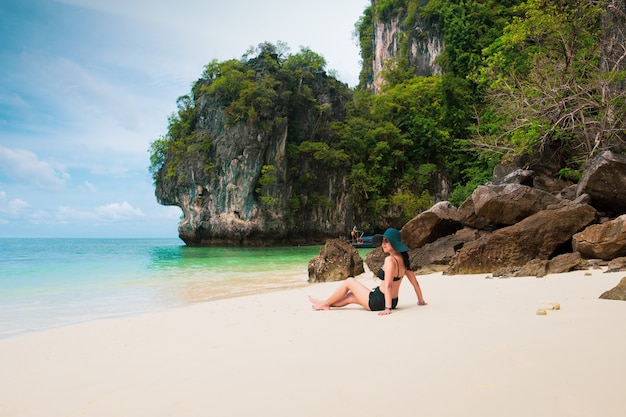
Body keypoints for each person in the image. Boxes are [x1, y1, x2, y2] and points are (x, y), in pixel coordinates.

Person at [308, 228, 427, 315]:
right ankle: (326, 303)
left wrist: (388, 308)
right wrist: (421, 301)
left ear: (395, 244)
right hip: (393, 300)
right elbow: (415, 283)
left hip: (380, 300)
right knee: (350, 297)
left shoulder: (390, 260)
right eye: (383, 241)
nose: (383, 244)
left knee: (350, 281)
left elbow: (389, 285)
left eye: (387, 241)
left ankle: (325, 303)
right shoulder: (403, 260)